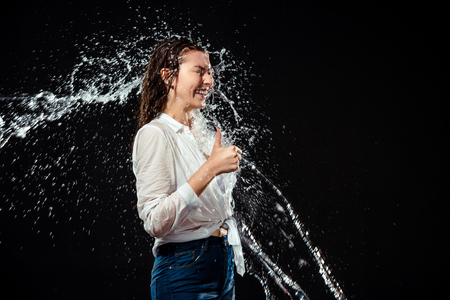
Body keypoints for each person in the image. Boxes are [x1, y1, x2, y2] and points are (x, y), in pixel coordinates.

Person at [132, 36, 245, 300]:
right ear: (169, 76)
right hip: (184, 270)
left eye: (210, 73)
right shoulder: (155, 134)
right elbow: (155, 221)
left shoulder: (199, 132)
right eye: (200, 71)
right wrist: (210, 168)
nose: (209, 81)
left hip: (219, 264)